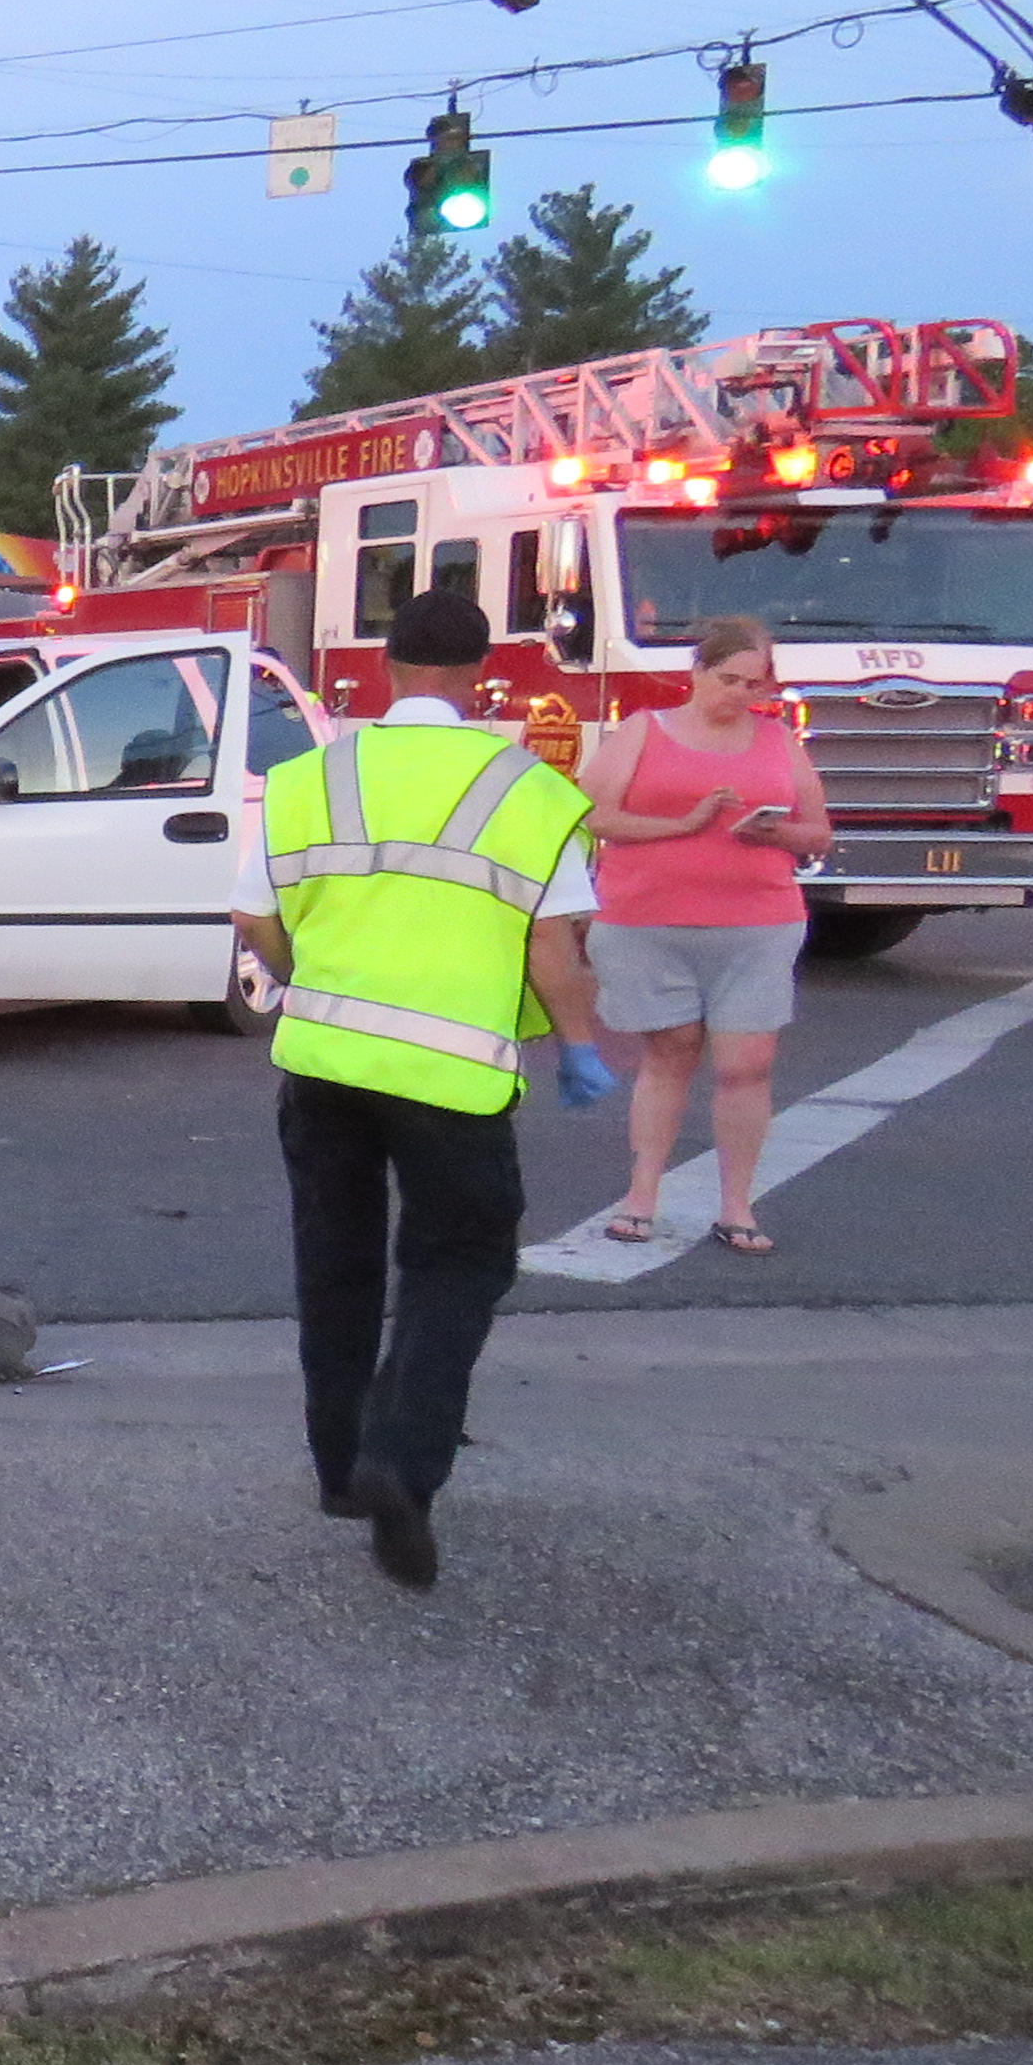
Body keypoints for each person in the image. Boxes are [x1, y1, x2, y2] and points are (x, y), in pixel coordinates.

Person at [234, 588, 618, 1591]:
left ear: (388, 667)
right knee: (459, 1261)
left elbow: (254, 919)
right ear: (479, 677)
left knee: (336, 1263)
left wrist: (304, 981)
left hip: (323, 1061)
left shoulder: (310, 777)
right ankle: (402, 1460)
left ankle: (337, 1470)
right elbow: (553, 947)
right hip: (453, 1073)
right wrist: (578, 1046)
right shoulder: (527, 791)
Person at [575, 615, 829, 1255]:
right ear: (697, 672)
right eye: (728, 679)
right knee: (671, 1053)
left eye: (753, 684)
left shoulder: (777, 740)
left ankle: (737, 1206)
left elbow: (818, 834)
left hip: (759, 921)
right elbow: (591, 815)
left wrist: (774, 834)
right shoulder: (644, 730)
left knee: (748, 1064)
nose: (740, 694)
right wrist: (685, 824)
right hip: (648, 920)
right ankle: (641, 1195)